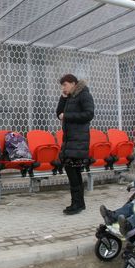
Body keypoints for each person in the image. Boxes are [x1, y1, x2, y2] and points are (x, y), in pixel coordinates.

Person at [55, 74, 94, 215]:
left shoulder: (84, 95)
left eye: (65, 85)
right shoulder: (70, 97)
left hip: (78, 141)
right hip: (70, 140)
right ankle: (79, 203)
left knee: (73, 173)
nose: (63, 88)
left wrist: (68, 116)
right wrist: (63, 98)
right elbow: (58, 113)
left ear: (72, 83)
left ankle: (76, 204)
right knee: (74, 173)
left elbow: (89, 114)